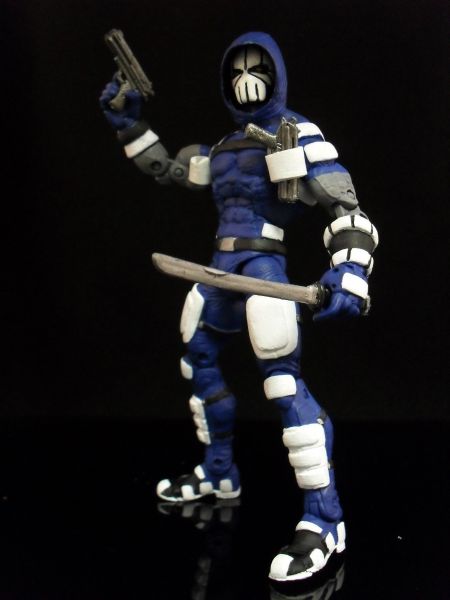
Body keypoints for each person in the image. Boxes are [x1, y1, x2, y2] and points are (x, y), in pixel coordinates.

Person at [100, 31, 378, 581]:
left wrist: (350, 272)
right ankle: (219, 471)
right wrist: (128, 123)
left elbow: (348, 213)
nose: (247, 79)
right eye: (238, 70)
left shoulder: (298, 135)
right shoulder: (224, 149)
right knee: (197, 358)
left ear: (276, 73)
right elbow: (167, 168)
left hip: (264, 270)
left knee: (282, 382)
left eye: (257, 68)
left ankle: (325, 519)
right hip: (218, 270)